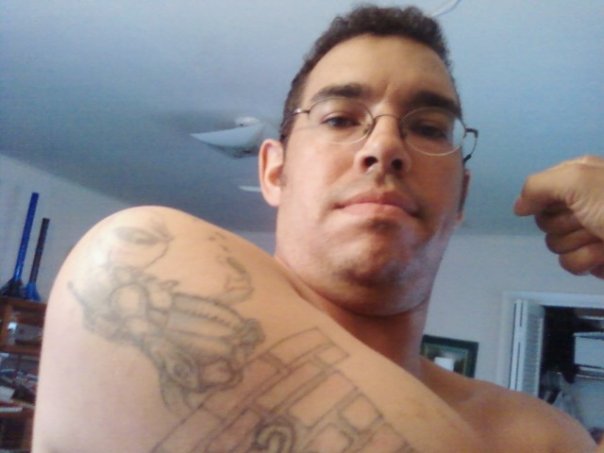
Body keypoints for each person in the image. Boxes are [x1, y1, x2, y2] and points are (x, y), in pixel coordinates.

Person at [32, 5, 601, 452]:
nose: (385, 146)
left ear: (461, 197)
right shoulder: (135, 268)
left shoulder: (544, 434)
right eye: (339, 119)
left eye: (429, 127)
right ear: (274, 172)